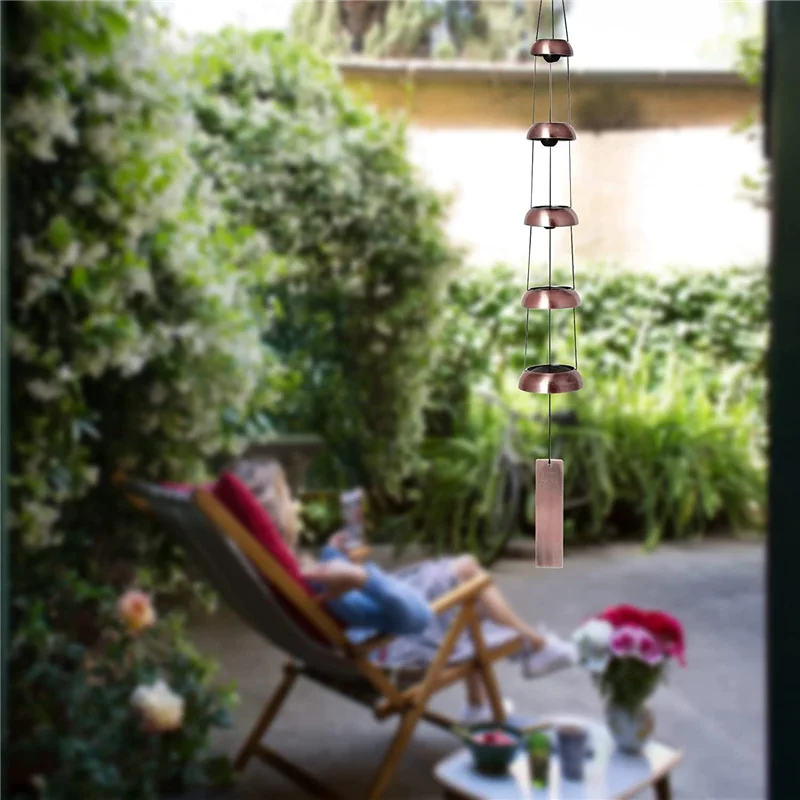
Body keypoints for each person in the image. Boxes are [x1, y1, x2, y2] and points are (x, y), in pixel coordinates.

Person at [231, 459, 577, 724]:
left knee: (459, 580)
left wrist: (333, 556)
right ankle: (535, 647)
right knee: (469, 579)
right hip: (385, 646)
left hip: (366, 625)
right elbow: (410, 618)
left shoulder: (279, 573)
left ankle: (481, 705)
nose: (295, 504)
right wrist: (360, 578)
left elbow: (350, 599)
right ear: (280, 517)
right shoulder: (318, 585)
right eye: (289, 497)